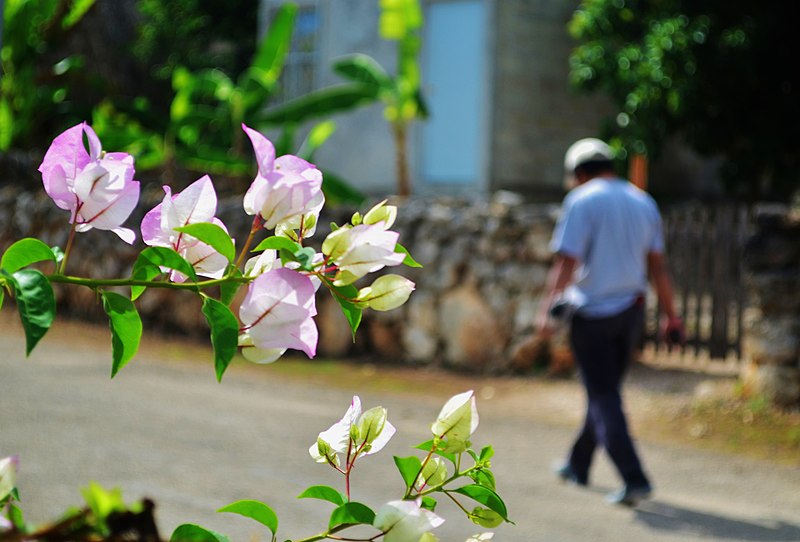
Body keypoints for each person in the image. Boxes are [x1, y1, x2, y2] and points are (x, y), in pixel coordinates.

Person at [536, 137, 684, 506]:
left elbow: (566, 262)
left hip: (592, 315)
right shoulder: (642, 201)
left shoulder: (582, 200)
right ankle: (578, 463)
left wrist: (546, 311)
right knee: (605, 395)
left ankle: (634, 478)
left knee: (603, 397)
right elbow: (658, 267)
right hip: (631, 314)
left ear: (580, 173)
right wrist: (672, 316)